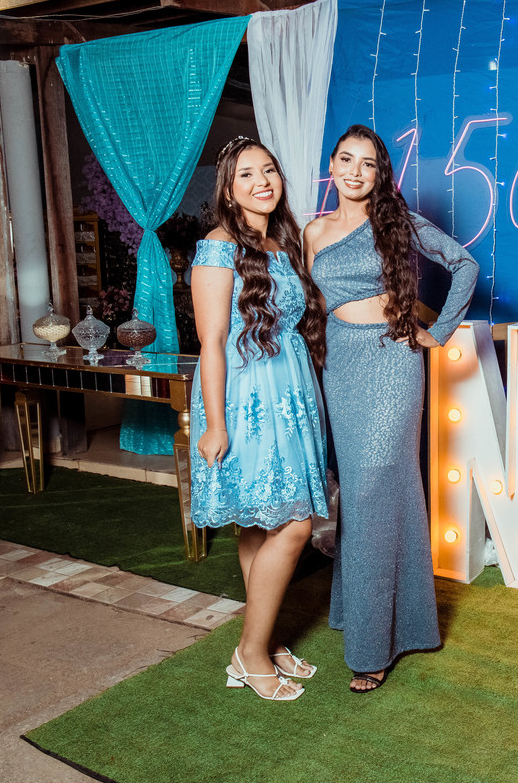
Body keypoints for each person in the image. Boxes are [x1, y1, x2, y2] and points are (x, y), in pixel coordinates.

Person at [304, 124, 479, 693]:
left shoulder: (397, 221)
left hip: (392, 362)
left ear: (382, 174)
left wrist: (438, 332)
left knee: (377, 485)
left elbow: (465, 265)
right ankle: (366, 615)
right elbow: (310, 307)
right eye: (346, 160)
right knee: (361, 494)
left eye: (369, 163)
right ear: (332, 166)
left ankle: (373, 646)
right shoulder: (312, 232)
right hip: (340, 367)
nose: (355, 172)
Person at [191, 137, 329, 701]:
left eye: (268, 170)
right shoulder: (216, 247)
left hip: (290, 390)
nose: (261, 182)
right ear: (227, 189)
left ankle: (264, 641)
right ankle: (249, 654)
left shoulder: (282, 241)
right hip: (246, 396)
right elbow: (212, 341)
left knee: (259, 523)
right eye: (246, 174)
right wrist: (216, 423)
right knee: (294, 526)